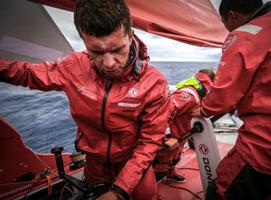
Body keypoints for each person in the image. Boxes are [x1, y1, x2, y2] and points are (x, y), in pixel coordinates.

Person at [0, 0, 171, 199]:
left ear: (130, 35)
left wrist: (119, 191)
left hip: (134, 165)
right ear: (84, 41)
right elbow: (27, 73)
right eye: (97, 52)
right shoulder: (73, 66)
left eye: (117, 50)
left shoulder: (154, 83)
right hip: (94, 166)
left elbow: (149, 143)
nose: (108, 63)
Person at [191, 0, 271, 199]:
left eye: (225, 24)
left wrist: (203, 110)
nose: (227, 30)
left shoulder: (247, 34)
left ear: (232, 15)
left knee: (221, 191)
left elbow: (223, 95)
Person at [154, 69, 215, 183]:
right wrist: (167, 137)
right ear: (210, 83)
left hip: (181, 134)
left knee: (175, 156)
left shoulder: (199, 93)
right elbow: (163, 111)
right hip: (171, 136)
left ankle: (170, 173)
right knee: (161, 166)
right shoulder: (189, 95)